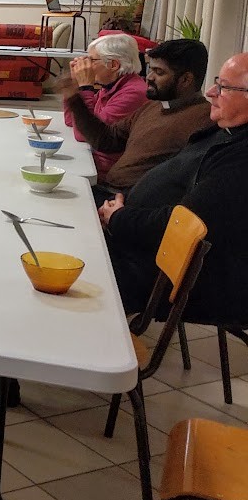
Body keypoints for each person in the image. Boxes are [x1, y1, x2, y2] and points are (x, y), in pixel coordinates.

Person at [99, 53, 248, 322]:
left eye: (224, 87)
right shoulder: (226, 131)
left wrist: (119, 218)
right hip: (139, 235)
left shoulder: (241, 159)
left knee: (72, 264)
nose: (212, 92)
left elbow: (185, 224)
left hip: (164, 273)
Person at [60, 38, 213, 197]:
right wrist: (74, 98)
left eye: (159, 72)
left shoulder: (201, 119)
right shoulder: (154, 105)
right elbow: (106, 139)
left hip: (129, 199)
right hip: (110, 189)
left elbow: (176, 183)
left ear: (185, 80)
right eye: (150, 70)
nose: (149, 77)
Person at [62, 33, 149, 179]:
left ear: (113, 65)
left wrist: (85, 88)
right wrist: (74, 84)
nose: (86, 66)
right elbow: (71, 121)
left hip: (107, 176)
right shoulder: (110, 86)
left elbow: (84, 134)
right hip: (90, 160)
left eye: (91, 60)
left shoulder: (133, 93)